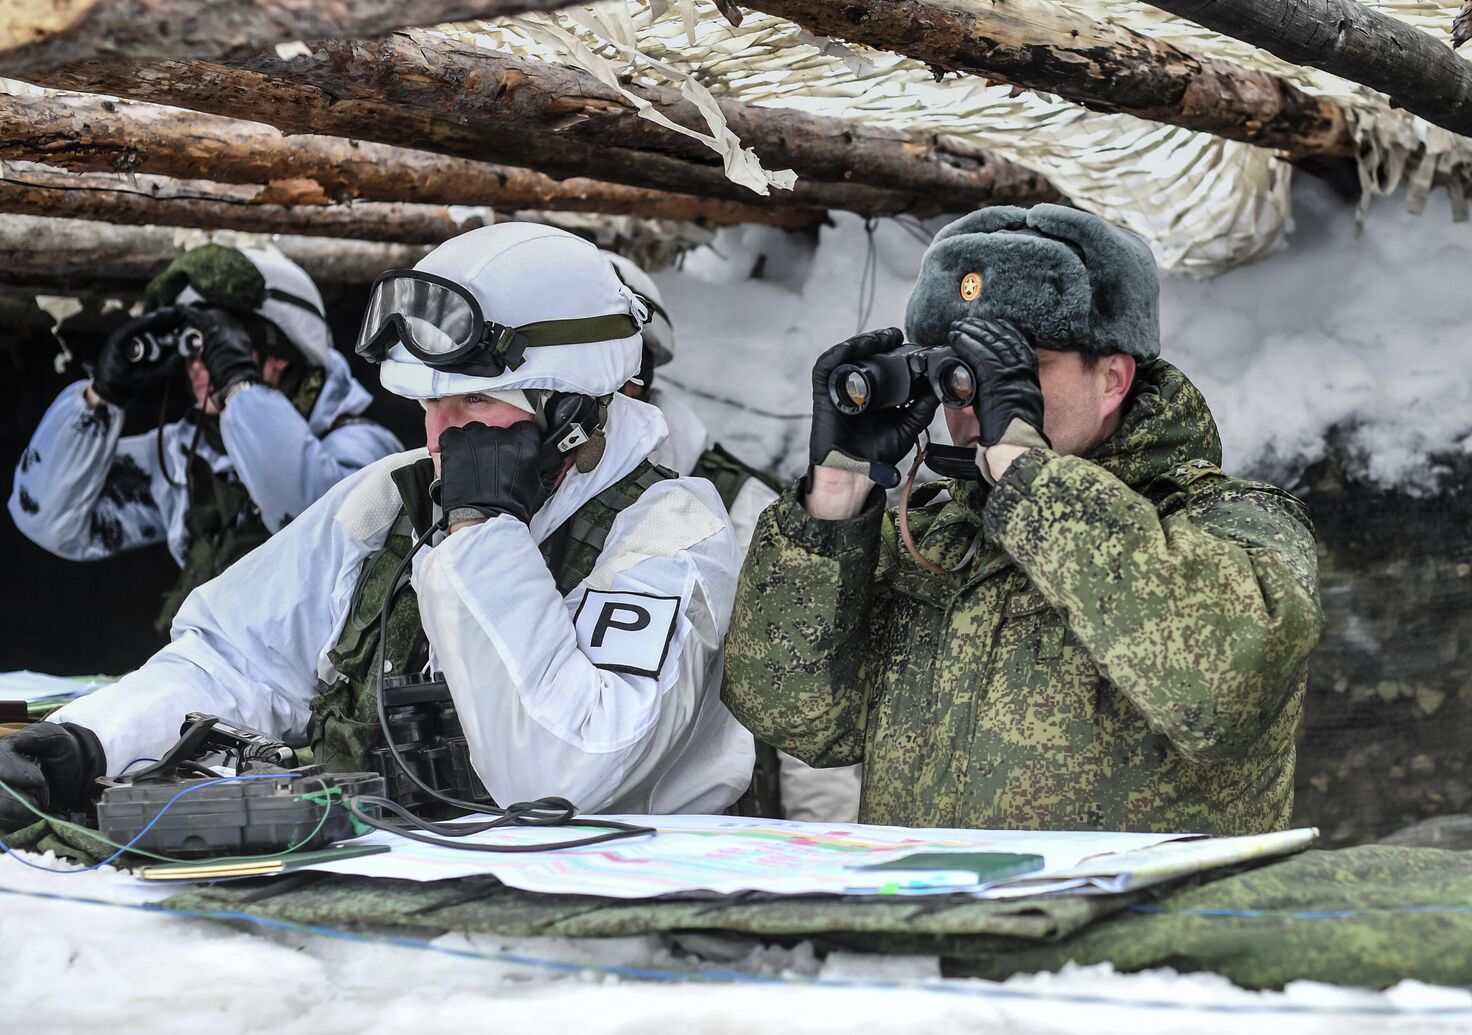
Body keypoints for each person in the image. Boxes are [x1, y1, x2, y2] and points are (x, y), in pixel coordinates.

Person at [0, 224, 751, 833]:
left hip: (595, 957)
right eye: (429, 406)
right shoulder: (391, 498)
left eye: (473, 406)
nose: (439, 437)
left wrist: (483, 530)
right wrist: (88, 740)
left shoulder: (672, 533)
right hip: (389, 915)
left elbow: (565, 777)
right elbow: (237, 661)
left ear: (571, 408)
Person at [722, 204, 1323, 834]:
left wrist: (1028, 477)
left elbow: (1223, 692)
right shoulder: (933, 539)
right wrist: (834, 502)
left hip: (1128, 928)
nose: (979, 401)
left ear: (1113, 378)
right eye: (962, 375)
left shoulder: (1233, 523)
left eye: (1015, 370)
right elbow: (794, 716)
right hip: (938, 922)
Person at [8, 244, 402, 628]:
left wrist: (240, 389)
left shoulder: (363, 449)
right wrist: (102, 397)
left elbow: (310, 521)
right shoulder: (189, 456)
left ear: (280, 351)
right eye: (194, 346)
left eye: (217, 343)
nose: (198, 363)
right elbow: (50, 520)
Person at [604, 249, 860, 823]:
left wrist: (821, 854)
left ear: (635, 378)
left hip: (708, 839)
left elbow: (806, 681)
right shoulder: (478, 503)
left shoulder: (738, 508)